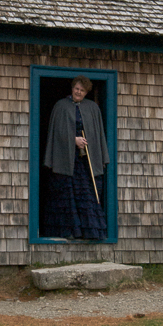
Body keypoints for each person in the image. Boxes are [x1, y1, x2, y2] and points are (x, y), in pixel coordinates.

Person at [42, 75, 108, 240]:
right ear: (72, 88)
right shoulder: (61, 106)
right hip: (65, 159)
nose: (78, 92)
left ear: (86, 92)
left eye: (82, 90)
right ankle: (69, 231)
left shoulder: (92, 108)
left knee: (86, 193)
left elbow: (98, 134)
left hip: (85, 162)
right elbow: (56, 133)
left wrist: (97, 152)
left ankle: (88, 232)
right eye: (76, 88)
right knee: (67, 194)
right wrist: (73, 139)